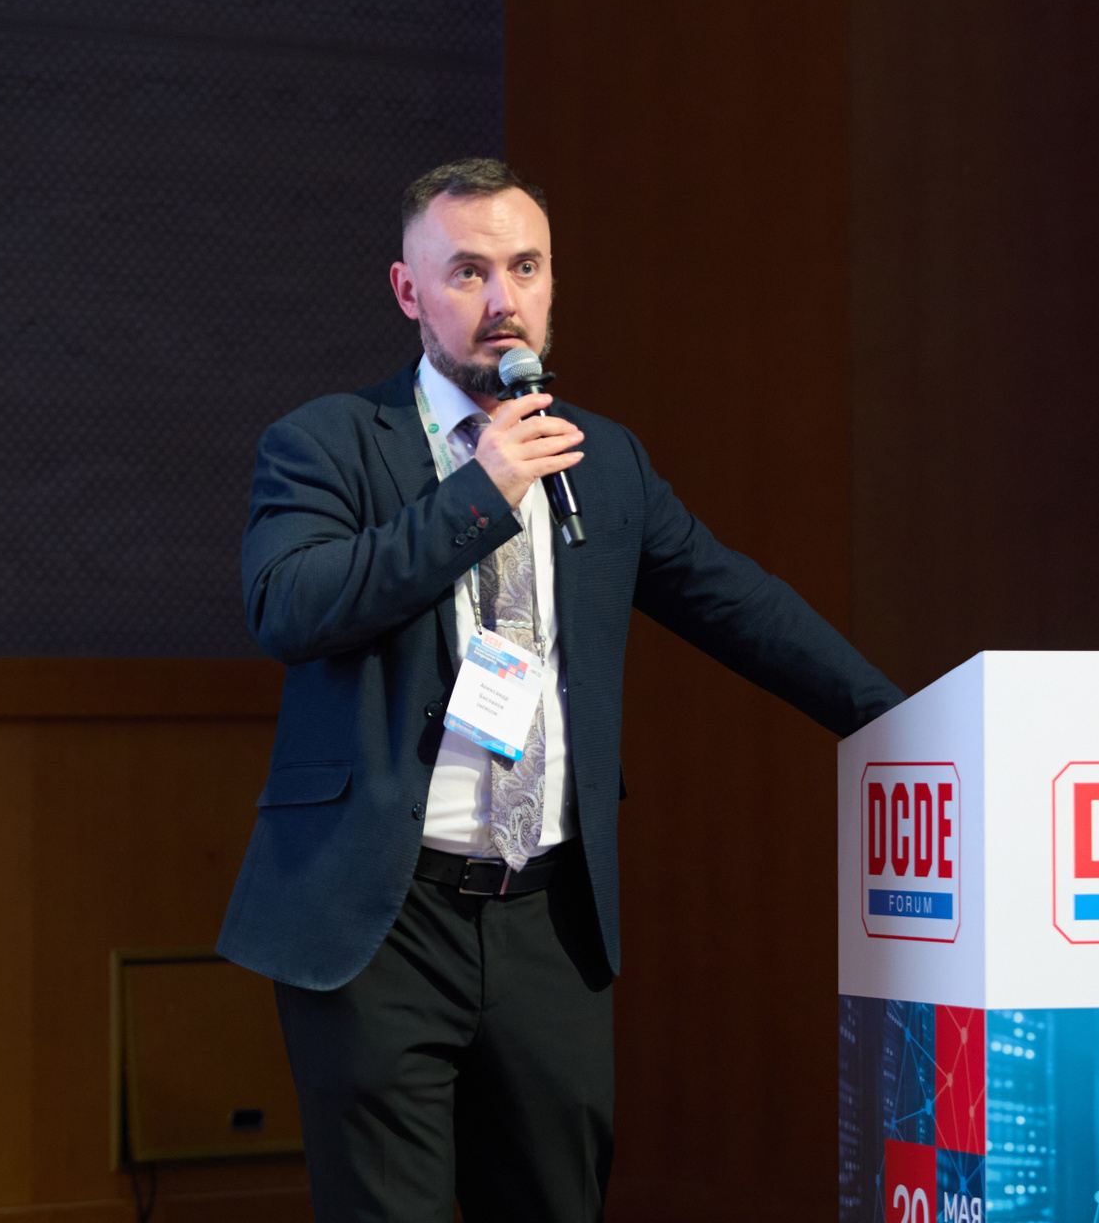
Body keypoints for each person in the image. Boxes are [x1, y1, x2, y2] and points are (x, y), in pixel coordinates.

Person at [216, 157, 901, 1222]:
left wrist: (902, 720)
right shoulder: (328, 442)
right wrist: (479, 492)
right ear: (409, 291)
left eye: (525, 268)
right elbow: (291, 606)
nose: (503, 299)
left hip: (545, 917)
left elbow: (734, 601)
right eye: (469, 272)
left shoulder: (600, 459)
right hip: (380, 921)